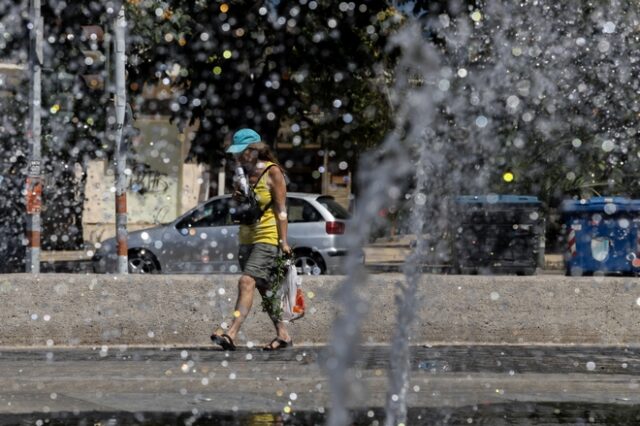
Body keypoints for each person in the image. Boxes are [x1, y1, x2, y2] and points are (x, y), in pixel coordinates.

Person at [211, 128, 293, 351]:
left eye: (243, 152)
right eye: (237, 153)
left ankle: (231, 333)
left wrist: (283, 241)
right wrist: (236, 197)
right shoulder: (243, 174)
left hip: (268, 236)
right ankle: (283, 334)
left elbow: (281, 208)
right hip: (246, 236)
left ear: (255, 150)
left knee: (246, 281)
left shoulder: (273, 172)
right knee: (264, 289)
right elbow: (241, 207)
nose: (239, 157)